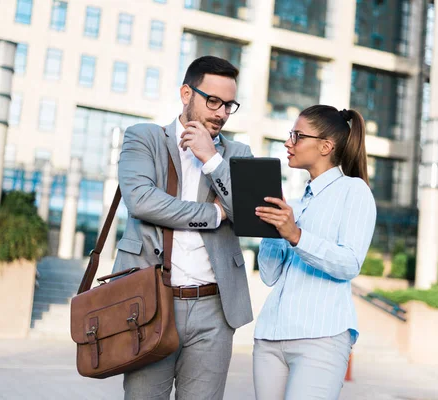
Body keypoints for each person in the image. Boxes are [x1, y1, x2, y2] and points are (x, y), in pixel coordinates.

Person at [113, 56, 253, 400]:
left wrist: (212, 160)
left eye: (229, 105)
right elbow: (143, 201)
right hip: (149, 304)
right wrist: (214, 215)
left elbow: (249, 215)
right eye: (213, 101)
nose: (221, 113)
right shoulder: (144, 138)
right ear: (186, 93)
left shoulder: (239, 154)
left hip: (214, 310)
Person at [252, 105, 377, 400]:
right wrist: (273, 229)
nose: (288, 142)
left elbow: (349, 264)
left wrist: (295, 235)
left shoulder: (354, 191)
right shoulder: (293, 203)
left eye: (297, 135)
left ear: (325, 146)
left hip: (321, 338)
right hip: (270, 336)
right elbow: (269, 276)